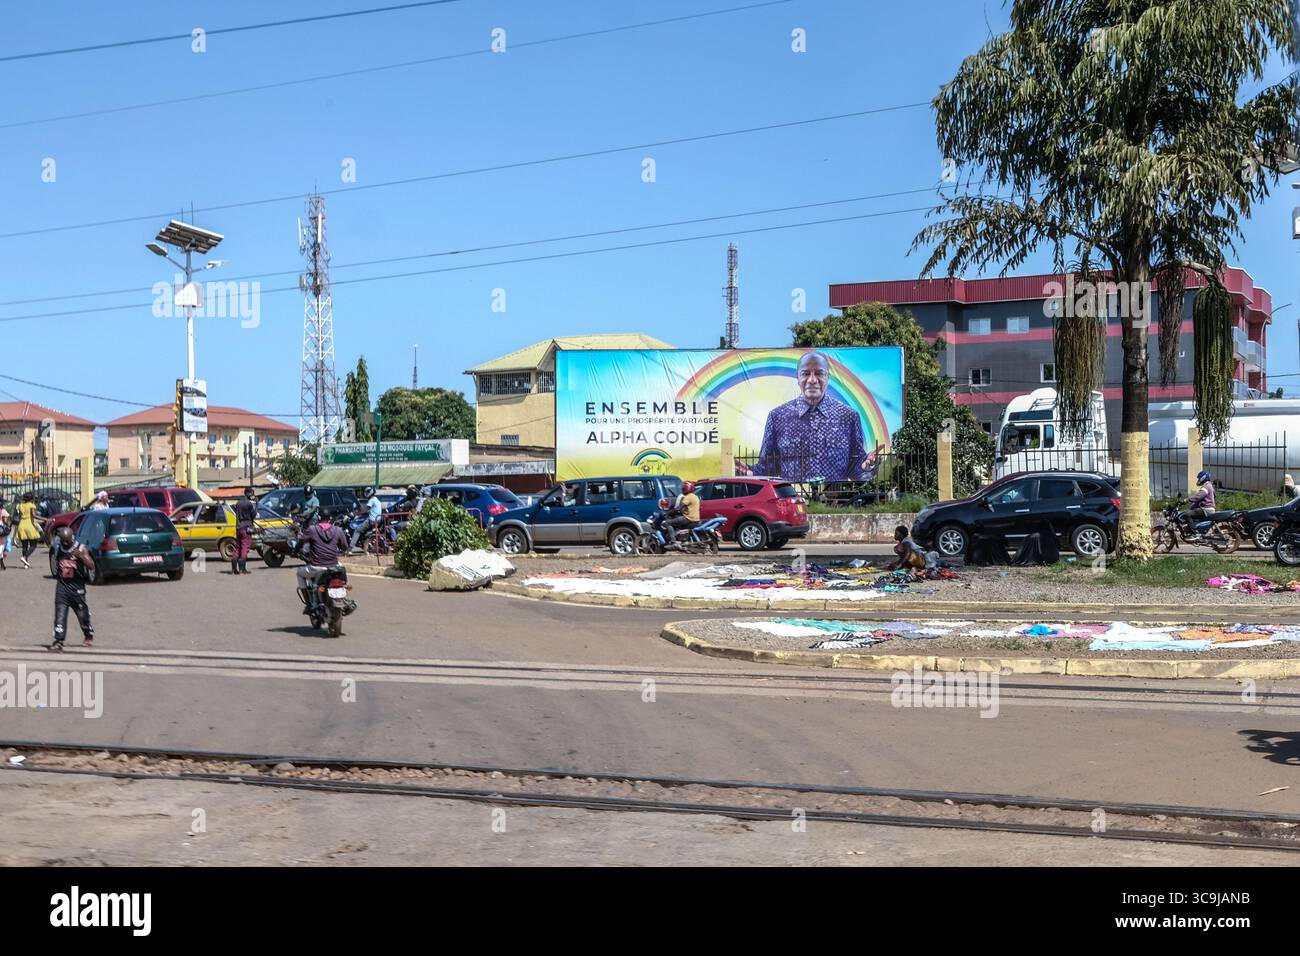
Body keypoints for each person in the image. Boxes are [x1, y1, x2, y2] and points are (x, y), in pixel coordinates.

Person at [755, 351, 869, 482]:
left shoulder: (848, 417)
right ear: (797, 378)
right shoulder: (777, 417)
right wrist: (748, 472)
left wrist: (866, 467)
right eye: (805, 374)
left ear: (828, 377)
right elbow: (767, 469)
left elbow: (856, 470)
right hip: (793, 499)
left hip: (836, 500)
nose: (812, 380)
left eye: (819, 373)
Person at [49, 526, 95, 651]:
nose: (65, 543)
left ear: (72, 537)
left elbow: (91, 566)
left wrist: (81, 557)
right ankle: (59, 640)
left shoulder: (81, 548)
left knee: (82, 615)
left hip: (77, 588)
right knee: (60, 614)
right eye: (63, 540)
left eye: (67, 541)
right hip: (62, 587)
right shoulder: (58, 547)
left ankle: (88, 634)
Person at [296, 518, 350, 613]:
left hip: (317, 567)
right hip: (334, 566)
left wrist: (294, 551)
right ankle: (345, 598)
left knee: (299, 573)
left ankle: (308, 604)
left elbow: (301, 542)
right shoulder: (338, 530)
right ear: (330, 519)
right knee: (342, 572)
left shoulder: (312, 530)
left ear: (319, 519)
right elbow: (345, 547)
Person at [661, 481, 701, 548]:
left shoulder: (688, 497)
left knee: (667, 523)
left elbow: (678, 508)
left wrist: (667, 513)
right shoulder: (695, 496)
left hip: (688, 518)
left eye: (683, 488)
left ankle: (673, 542)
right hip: (695, 519)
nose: (682, 489)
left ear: (686, 489)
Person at [232, 486, 257, 574]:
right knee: (244, 548)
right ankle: (242, 569)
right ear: (248, 493)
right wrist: (256, 505)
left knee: (237, 547)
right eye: (252, 493)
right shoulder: (249, 504)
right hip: (246, 528)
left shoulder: (238, 503)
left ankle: (234, 569)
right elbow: (253, 515)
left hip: (238, 527)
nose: (253, 495)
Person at [350, 486, 383, 553]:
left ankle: (350, 548)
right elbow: (370, 510)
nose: (365, 494)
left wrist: (355, 513)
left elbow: (365, 509)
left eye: (367, 492)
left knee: (357, 530)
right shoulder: (377, 500)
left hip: (371, 520)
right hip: (378, 520)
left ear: (370, 493)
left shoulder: (371, 500)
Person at [15, 491, 42, 569]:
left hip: (21, 525)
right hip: (29, 524)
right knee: (33, 545)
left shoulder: (20, 505)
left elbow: (20, 516)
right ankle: (24, 557)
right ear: (31, 498)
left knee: (24, 546)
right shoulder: (31, 505)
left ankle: (25, 564)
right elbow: (34, 515)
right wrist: (46, 519)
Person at [0, 498, 9, 571]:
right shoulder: (3, 511)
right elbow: (5, 521)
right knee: (1, 546)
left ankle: (2, 565)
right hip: (1, 530)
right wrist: (8, 525)